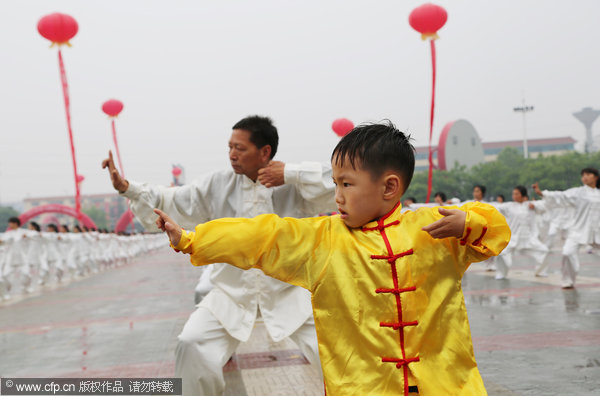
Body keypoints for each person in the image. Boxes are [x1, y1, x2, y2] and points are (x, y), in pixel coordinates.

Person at [156, 122, 510, 395]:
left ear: (389, 187)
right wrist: (192, 239)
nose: (337, 196)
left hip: (446, 383)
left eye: (347, 185)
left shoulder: (436, 230)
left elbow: (496, 230)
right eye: (336, 184)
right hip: (362, 386)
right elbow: (262, 235)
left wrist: (470, 223)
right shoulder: (324, 238)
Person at [102, 115, 336, 395]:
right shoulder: (217, 183)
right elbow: (172, 199)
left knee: (336, 352)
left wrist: (291, 173)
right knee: (192, 344)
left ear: (265, 152)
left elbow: (340, 183)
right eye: (230, 147)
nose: (232, 155)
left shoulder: (293, 182)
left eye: (240, 148)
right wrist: (128, 188)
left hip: (292, 291)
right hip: (231, 293)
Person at [533, 167, 600, 288]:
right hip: (579, 230)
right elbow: (561, 196)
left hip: (597, 231)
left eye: (588, 174)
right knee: (567, 252)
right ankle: (568, 280)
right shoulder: (578, 192)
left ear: (596, 177)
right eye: (582, 174)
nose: (584, 176)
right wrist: (543, 193)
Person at [492, 186, 549, 279]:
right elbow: (495, 208)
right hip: (513, 237)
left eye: (516, 194)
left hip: (529, 238)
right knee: (501, 253)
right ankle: (502, 273)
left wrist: (535, 206)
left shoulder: (531, 205)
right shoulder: (509, 206)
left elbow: (544, 206)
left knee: (544, 250)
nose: (514, 196)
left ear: (523, 195)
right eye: (513, 194)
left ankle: (541, 271)